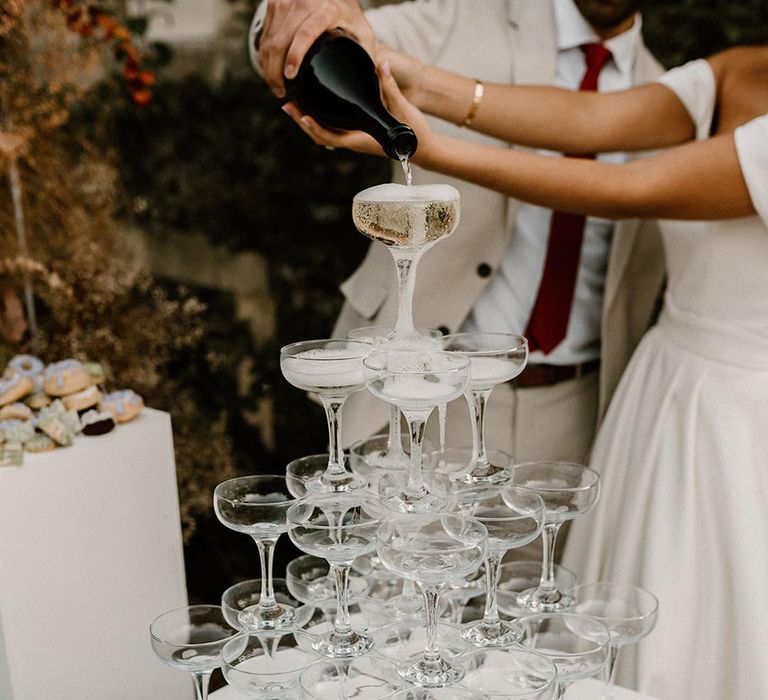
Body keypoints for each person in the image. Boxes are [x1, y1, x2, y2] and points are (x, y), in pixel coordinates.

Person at [282, 41, 768, 699]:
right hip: (662, 400)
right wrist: (422, 84)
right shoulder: (740, 68)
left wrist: (424, 146)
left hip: (742, 421)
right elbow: (589, 122)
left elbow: (629, 188)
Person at [254, 0, 665, 463]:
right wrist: (295, 14)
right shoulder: (462, 15)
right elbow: (319, 34)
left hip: (579, 413)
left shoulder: (674, 99)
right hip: (421, 387)